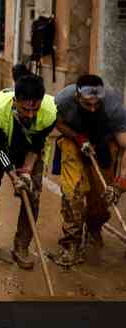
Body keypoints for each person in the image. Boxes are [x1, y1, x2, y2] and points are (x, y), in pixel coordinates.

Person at [0, 75, 57, 269]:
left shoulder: (50, 111)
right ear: (15, 101)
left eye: (34, 109)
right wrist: (13, 177)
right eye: (24, 109)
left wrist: (26, 173)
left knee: (32, 195)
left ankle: (21, 246)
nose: (30, 114)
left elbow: (38, 144)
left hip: (29, 150)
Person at [52, 75, 126, 266]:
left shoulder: (114, 107)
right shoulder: (63, 100)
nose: (93, 108)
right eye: (87, 104)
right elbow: (58, 123)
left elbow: (125, 146)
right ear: (77, 97)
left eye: (96, 104)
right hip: (74, 142)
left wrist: (120, 183)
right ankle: (71, 243)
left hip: (104, 143)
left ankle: (94, 226)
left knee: (103, 197)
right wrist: (78, 138)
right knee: (73, 192)